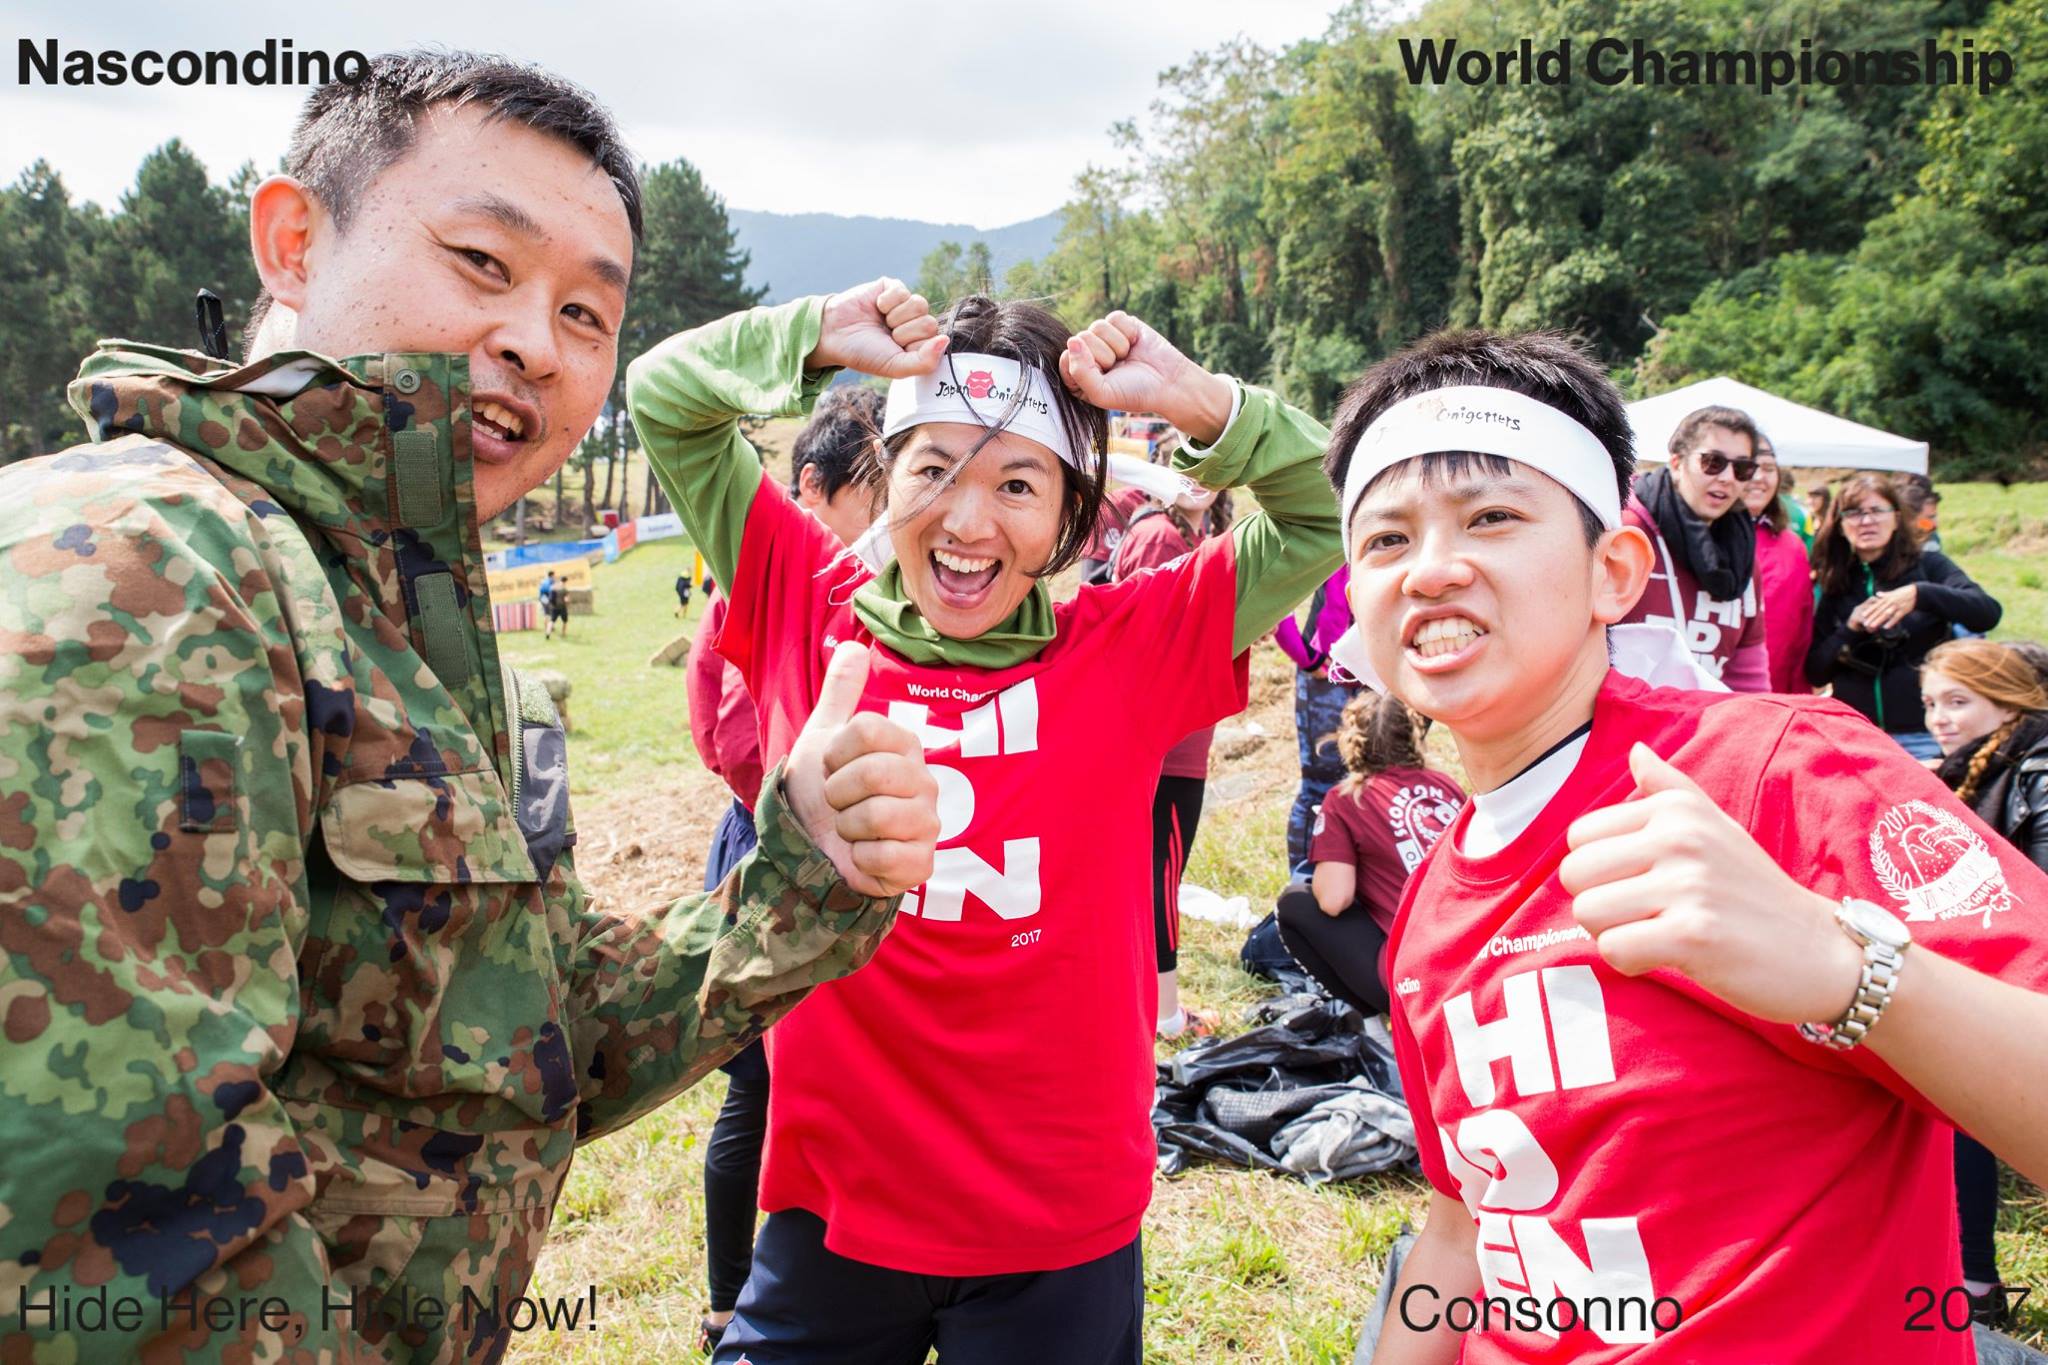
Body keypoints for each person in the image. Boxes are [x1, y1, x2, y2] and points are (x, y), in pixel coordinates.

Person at [0, 52, 942, 1365]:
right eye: (483, 264)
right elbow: (122, 1254)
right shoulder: (140, 568)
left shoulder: (401, 616)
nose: (532, 344)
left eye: (585, 316)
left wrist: (801, 875)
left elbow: (517, 1038)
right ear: (291, 242)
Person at [629, 279, 1339, 1363]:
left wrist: (1195, 400)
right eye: (931, 471)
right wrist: (811, 338)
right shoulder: (801, 602)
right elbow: (664, 395)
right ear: (885, 478)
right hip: (835, 1207)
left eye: (1016, 482)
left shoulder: (1133, 640)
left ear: (1067, 513)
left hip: (1058, 1224)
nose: (966, 522)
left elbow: (1330, 509)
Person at [1314, 328, 2048, 1362]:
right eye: (1385, 541)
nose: (1432, 570)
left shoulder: (1780, 771)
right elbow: (1460, 1229)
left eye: (1489, 517)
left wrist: (1848, 972)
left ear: (1613, 570)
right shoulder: (1432, 905)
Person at [686, 384, 882, 1354]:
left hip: (847, 854)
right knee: (758, 1090)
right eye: (873, 491)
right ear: (815, 486)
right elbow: (731, 741)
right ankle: (731, 1301)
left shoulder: (864, 585)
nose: (885, 519)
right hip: (773, 850)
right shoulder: (765, 578)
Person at [1921, 639, 2048, 1327]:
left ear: (2008, 701)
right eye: (1931, 703)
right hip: (2003, 975)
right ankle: (1971, 1277)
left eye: (1957, 701)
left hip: (2030, 983)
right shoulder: (1966, 767)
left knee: (1960, 1104)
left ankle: (1974, 1280)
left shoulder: (2038, 762)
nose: (1939, 717)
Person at [1109, 474, 1232, 1039]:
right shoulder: (1162, 537)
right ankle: (1163, 1014)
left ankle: (1136, 1001)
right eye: (1185, 461)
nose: (1199, 478)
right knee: (1158, 879)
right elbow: (1140, 640)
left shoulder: (1201, 533)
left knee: (1152, 873)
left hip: (1182, 737)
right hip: (1166, 744)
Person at [1275, 691, 1465, 1016]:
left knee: (1296, 903)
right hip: (1475, 960)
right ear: (1413, 736)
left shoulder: (1349, 798)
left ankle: (1376, 1028)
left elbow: (1334, 900)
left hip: (1417, 980)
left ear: (1351, 740)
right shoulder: (1446, 786)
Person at [1807, 473, 2002, 759]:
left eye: (1877, 511)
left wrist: (1919, 595)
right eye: (1854, 513)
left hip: (1924, 736)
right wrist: (1849, 629)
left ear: (1897, 518)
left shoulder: (1928, 565)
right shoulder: (1837, 582)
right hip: (1857, 737)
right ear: (1840, 525)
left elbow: (1987, 612)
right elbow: (1815, 671)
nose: (1866, 521)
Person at [1618, 404, 1771, 690]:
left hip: (1709, 725)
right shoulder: (1626, 533)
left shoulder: (1743, 554)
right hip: (1622, 723)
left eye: (1741, 468)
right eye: (1713, 462)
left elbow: (1748, 672)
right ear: (1677, 463)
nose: (1726, 477)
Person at [1277, 564, 1361, 874]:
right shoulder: (1324, 526)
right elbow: (1277, 590)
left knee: (1374, 784)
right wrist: (1301, 653)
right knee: (1320, 786)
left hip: (1380, 674)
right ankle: (1303, 884)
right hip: (1326, 675)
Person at [1743, 436, 1813, 695]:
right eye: (1750, 467)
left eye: (1769, 468)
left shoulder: (1791, 546)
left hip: (1778, 691)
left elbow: (1801, 629)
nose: (1760, 477)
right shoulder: (1701, 539)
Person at [541, 566, 560, 635]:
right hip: (548, 598)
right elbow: (555, 589)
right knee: (551, 614)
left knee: (546, 613)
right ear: (552, 575)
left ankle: (546, 628)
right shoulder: (552, 581)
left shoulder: (543, 581)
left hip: (542, 597)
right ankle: (551, 627)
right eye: (554, 575)